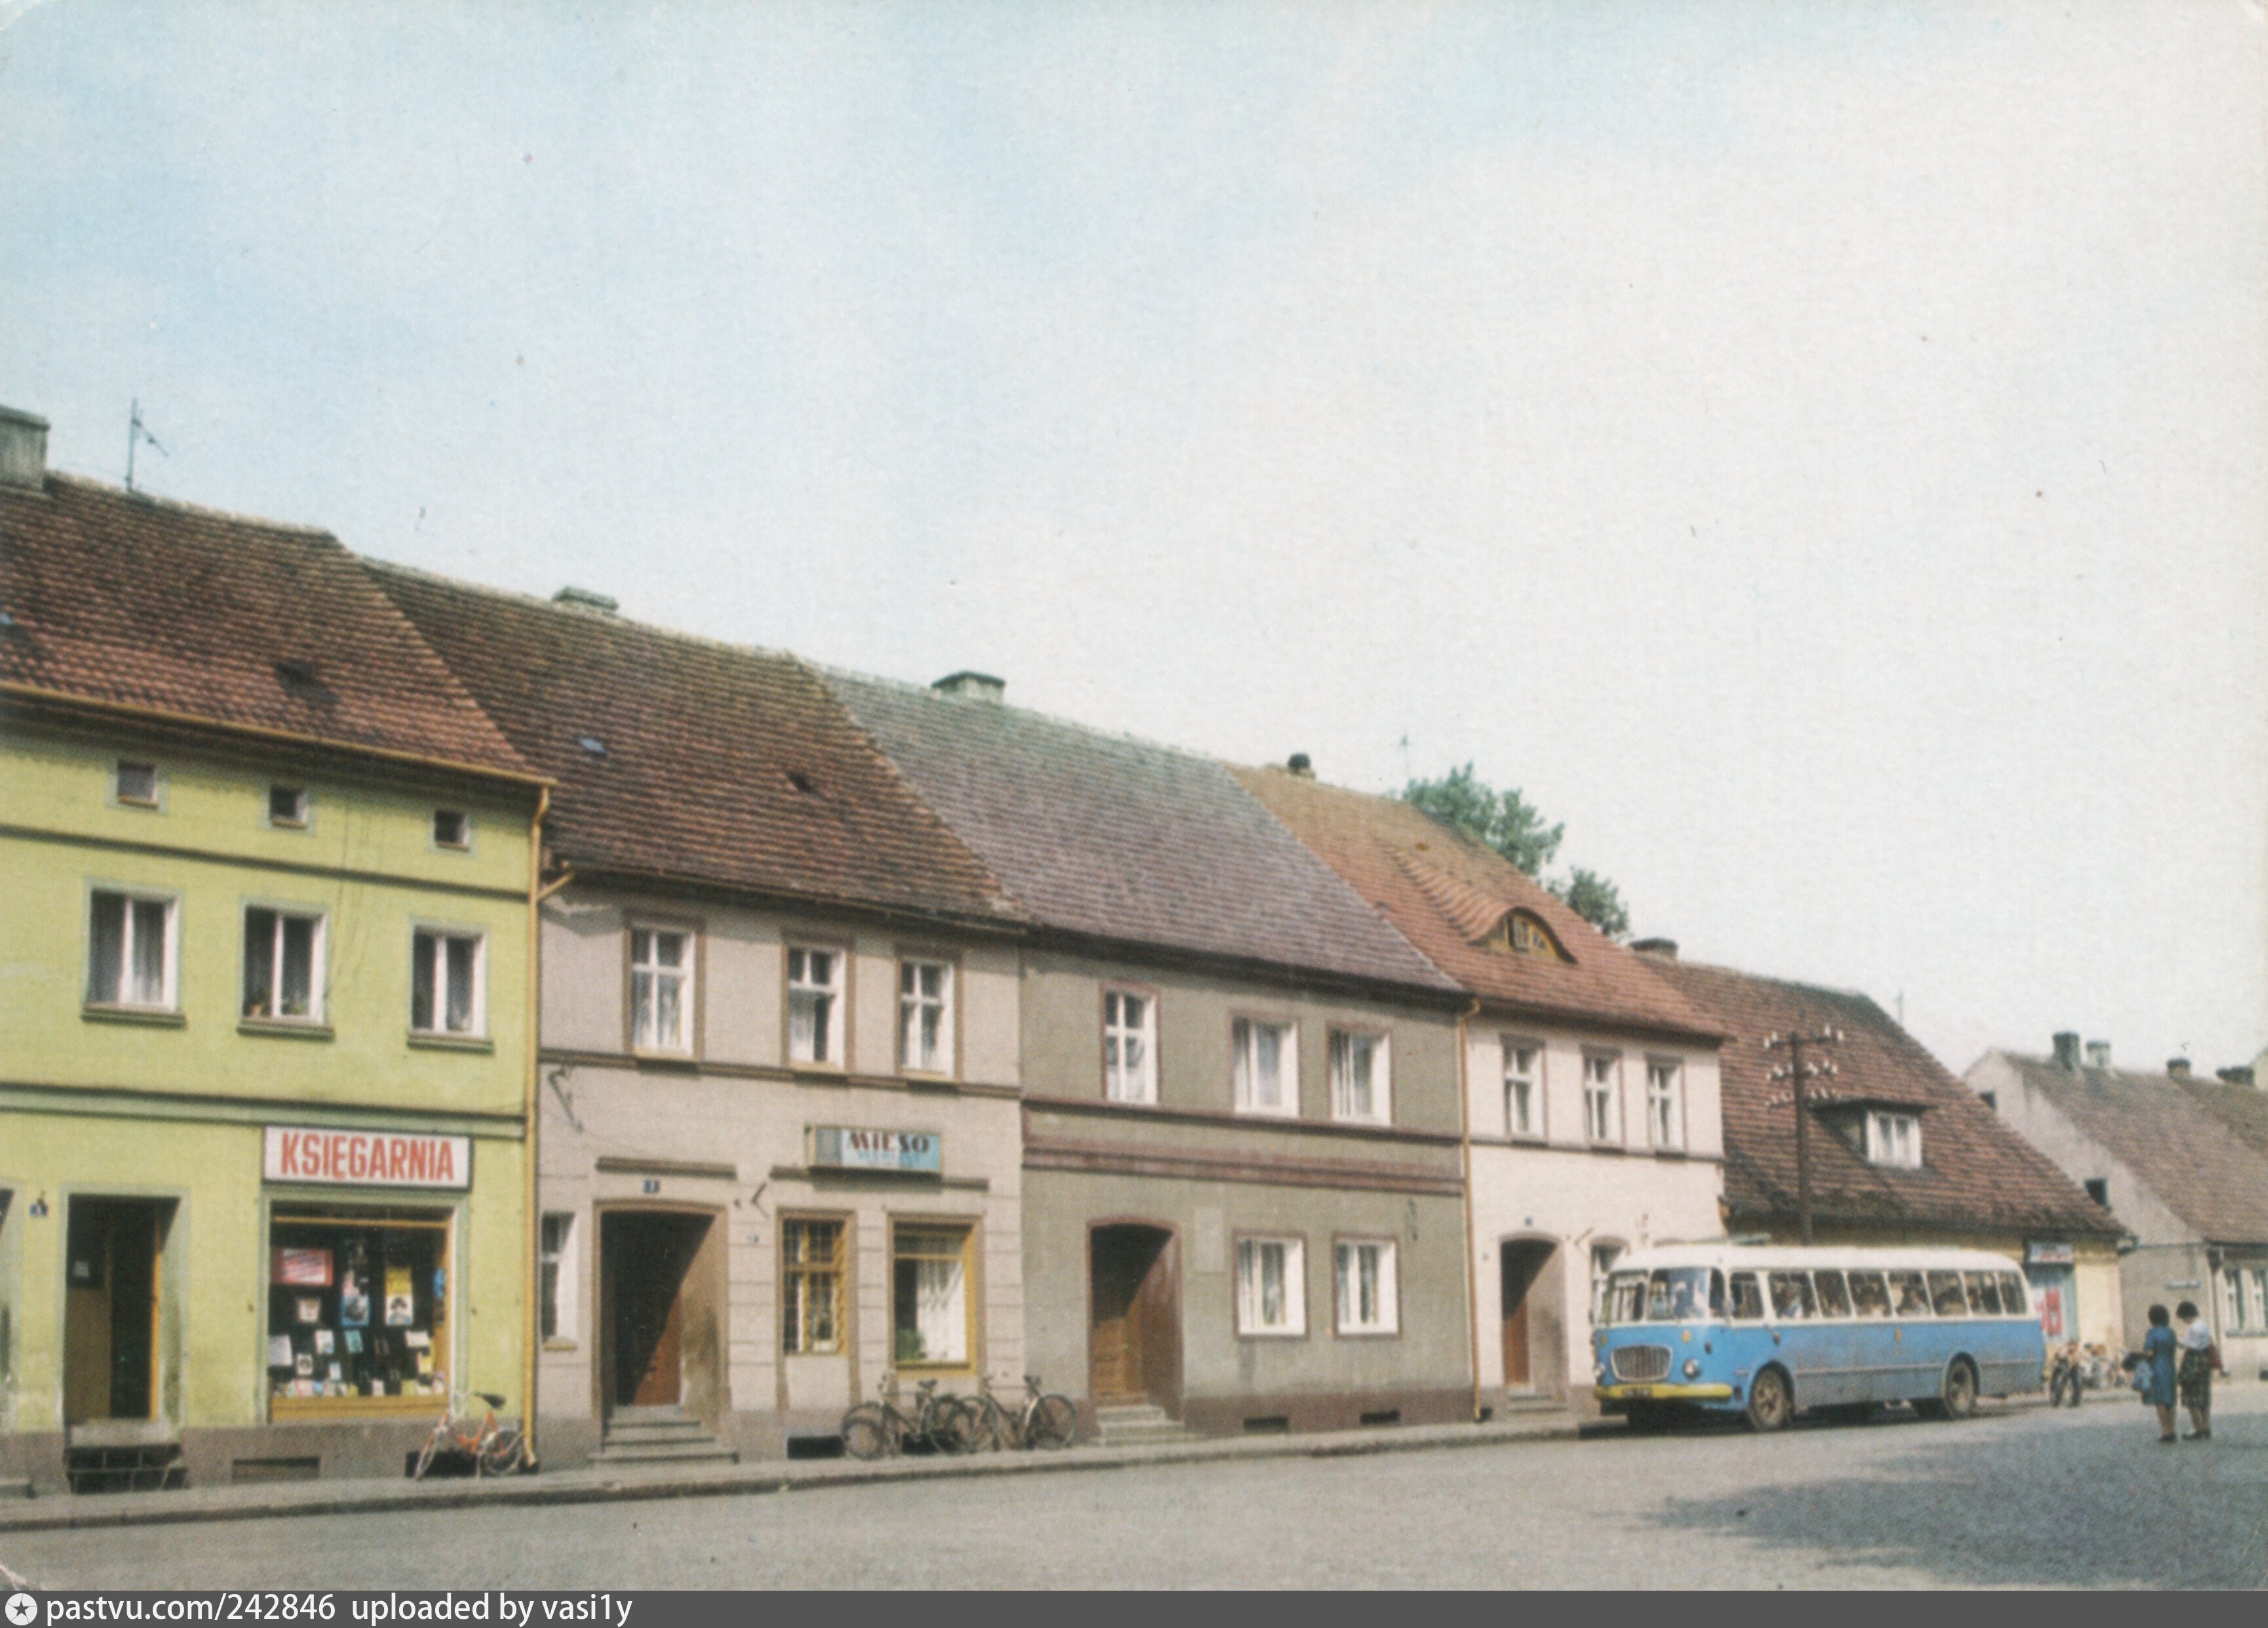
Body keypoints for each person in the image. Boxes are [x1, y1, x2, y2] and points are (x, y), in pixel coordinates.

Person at [2174, 1300, 2224, 1441]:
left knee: (2191, 1396)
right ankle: (2207, 1427)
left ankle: (2198, 1429)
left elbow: (2188, 1344)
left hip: (2193, 1361)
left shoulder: (2193, 1328)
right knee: (2203, 1396)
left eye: (2183, 1318)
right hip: (2204, 1361)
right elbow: (2209, 1341)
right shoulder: (2204, 1325)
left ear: (2187, 1316)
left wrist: (2177, 1340)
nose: (2184, 1321)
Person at [2138, 1304, 2178, 1443]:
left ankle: (2166, 1431)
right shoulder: (2171, 1332)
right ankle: (2172, 1429)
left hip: (2157, 1367)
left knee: (2160, 1400)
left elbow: (2149, 1352)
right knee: (2170, 1399)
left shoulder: (2152, 1332)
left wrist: (2141, 1355)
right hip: (2170, 1366)